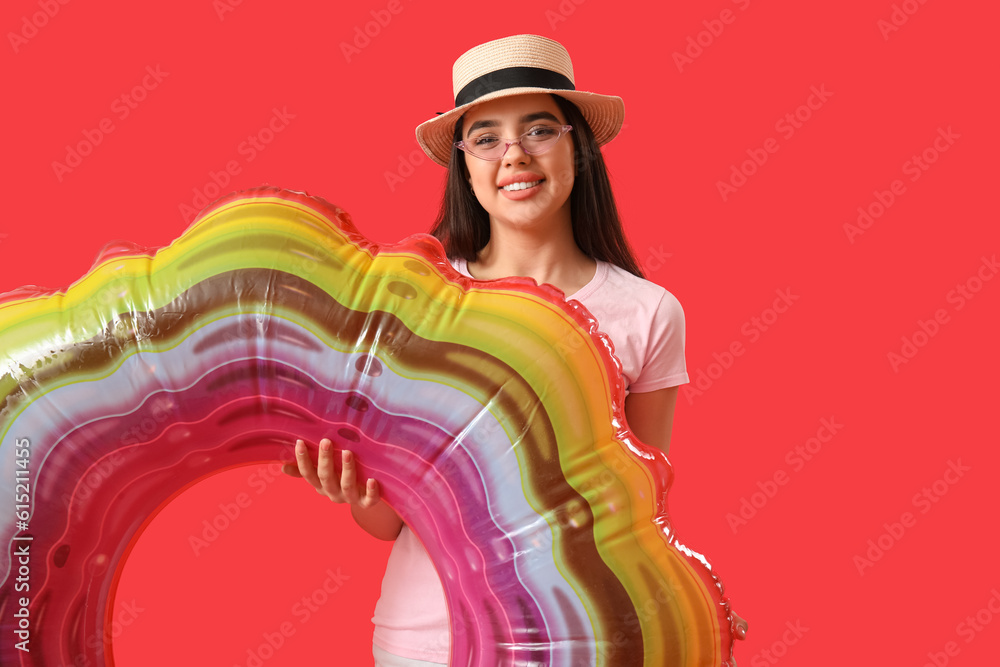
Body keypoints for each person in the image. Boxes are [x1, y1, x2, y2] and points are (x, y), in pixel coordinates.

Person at [282, 34, 691, 666]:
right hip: (425, 635)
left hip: (578, 635)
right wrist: (359, 492)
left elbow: (640, 509)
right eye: (486, 138)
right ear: (466, 168)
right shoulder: (418, 300)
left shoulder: (648, 312)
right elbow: (391, 523)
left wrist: (687, 612)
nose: (514, 155)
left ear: (577, 148)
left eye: (539, 130)